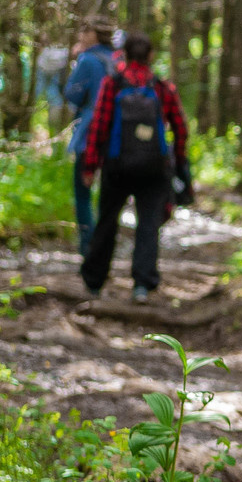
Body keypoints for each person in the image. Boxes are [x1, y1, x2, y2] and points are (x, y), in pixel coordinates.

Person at [79, 32, 194, 303]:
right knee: (148, 225)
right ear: (151, 56)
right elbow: (181, 129)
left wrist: (90, 166)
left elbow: (98, 127)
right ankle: (142, 284)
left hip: (117, 167)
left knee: (107, 222)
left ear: (125, 54)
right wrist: (178, 163)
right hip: (154, 170)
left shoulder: (112, 84)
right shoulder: (162, 88)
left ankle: (94, 283)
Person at [63, 24, 117, 255]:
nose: (80, 34)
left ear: (93, 35)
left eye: (84, 31)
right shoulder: (117, 59)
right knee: (109, 195)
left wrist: (76, 62)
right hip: (116, 136)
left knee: (83, 193)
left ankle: (88, 246)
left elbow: (72, 94)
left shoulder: (87, 60)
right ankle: (105, 246)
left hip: (89, 134)